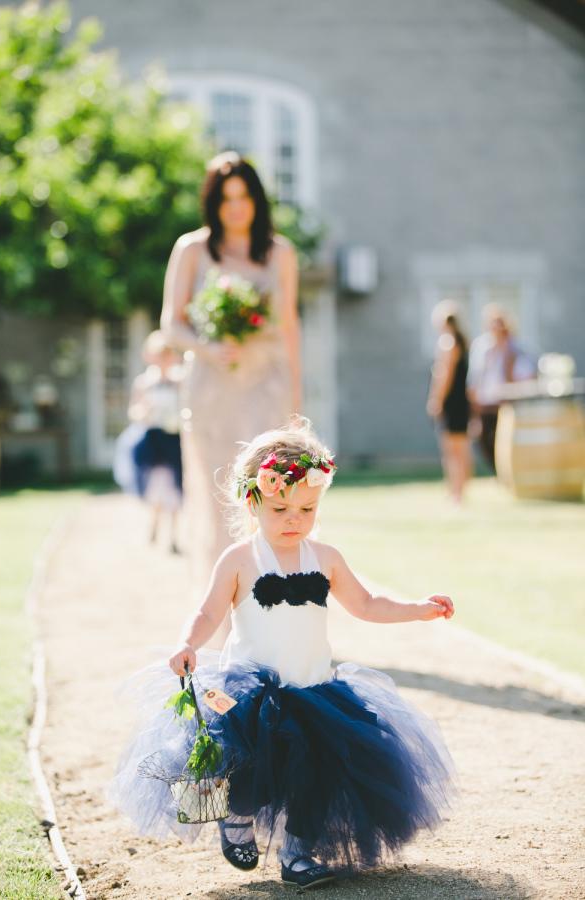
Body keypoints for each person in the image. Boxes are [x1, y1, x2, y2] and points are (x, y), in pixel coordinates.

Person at [110, 419, 455, 889]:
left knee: (319, 773)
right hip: (253, 695)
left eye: (307, 508)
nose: (294, 519)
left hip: (315, 692)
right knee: (250, 772)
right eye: (281, 508)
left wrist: (417, 610)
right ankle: (235, 820)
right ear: (252, 502)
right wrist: (188, 642)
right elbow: (209, 612)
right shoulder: (239, 559)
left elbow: (367, 604)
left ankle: (298, 854)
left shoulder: (326, 557)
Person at [160, 151, 302, 647]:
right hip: (211, 391)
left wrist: (297, 411)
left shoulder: (281, 253)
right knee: (219, 504)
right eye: (226, 199)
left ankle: (276, 619)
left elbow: (289, 328)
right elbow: (170, 324)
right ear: (214, 203)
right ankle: (219, 627)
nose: (235, 208)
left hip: (267, 388)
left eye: (243, 197)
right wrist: (207, 345)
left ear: (256, 201)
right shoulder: (193, 251)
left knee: (272, 501)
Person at [113, 330, 184, 554]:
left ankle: (173, 534)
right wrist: (144, 413)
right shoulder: (144, 382)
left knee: (174, 486)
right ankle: (153, 523)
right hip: (153, 439)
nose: (164, 359)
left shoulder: (179, 380)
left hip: (173, 438)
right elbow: (134, 410)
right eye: (159, 355)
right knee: (155, 484)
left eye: (167, 354)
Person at [467, 305, 535, 471]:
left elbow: (526, 375)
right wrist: (473, 406)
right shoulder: (482, 347)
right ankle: (497, 472)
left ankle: (505, 473)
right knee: (484, 441)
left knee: (505, 441)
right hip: (485, 403)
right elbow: (474, 378)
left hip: (506, 403)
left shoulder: (516, 348)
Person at [427, 301, 471, 503]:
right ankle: (458, 491)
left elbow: (444, 375)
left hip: (452, 403)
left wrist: (437, 399)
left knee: (452, 451)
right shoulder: (462, 341)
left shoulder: (448, 342)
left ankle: (456, 492)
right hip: (461, 401)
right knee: (461, 449)